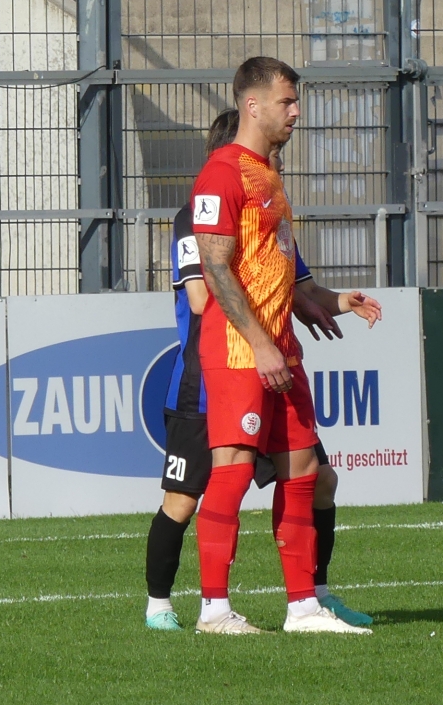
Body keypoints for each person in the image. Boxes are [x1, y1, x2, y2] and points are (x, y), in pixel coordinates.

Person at [143, 110, 375, 631]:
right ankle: (165, 605)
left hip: (272, 365)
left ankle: (312, 597)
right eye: (273, 154)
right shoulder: (197, 215)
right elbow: (203, 297)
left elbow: (297, 288)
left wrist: (331, 302)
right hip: (209, 378)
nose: (279, 161)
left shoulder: (271, 212)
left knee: (316, 478)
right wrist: (262, 326)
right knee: (185, 498)